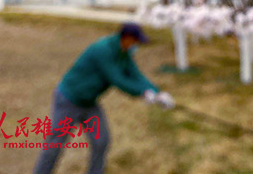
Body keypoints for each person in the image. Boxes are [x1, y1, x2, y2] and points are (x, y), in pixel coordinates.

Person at [33, 22, 173, 174]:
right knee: (55, 145)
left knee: (101, 141)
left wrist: (157, 93)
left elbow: (135, 74)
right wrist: (142, 93)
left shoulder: (123, 52)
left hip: (89, 103)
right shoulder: (103, 50)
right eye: (136, 41)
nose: (137, 45)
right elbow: (117, 79)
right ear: (126, 38)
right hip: (69, 100)